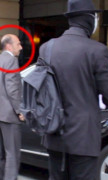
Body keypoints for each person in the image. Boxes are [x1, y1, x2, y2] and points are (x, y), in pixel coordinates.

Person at [38, 0, 108, 179]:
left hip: (54, 131)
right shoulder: (97, 50)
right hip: (83, 136)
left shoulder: (47, 48)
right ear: (89, 20)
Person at [0, 34, 24, 180]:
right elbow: (12, 89)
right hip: (9, 116)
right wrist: (19, 110)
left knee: (1, 154)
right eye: (18, 44)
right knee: (12, 155)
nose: (20, 47)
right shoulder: (11, 61)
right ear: (9, 46)